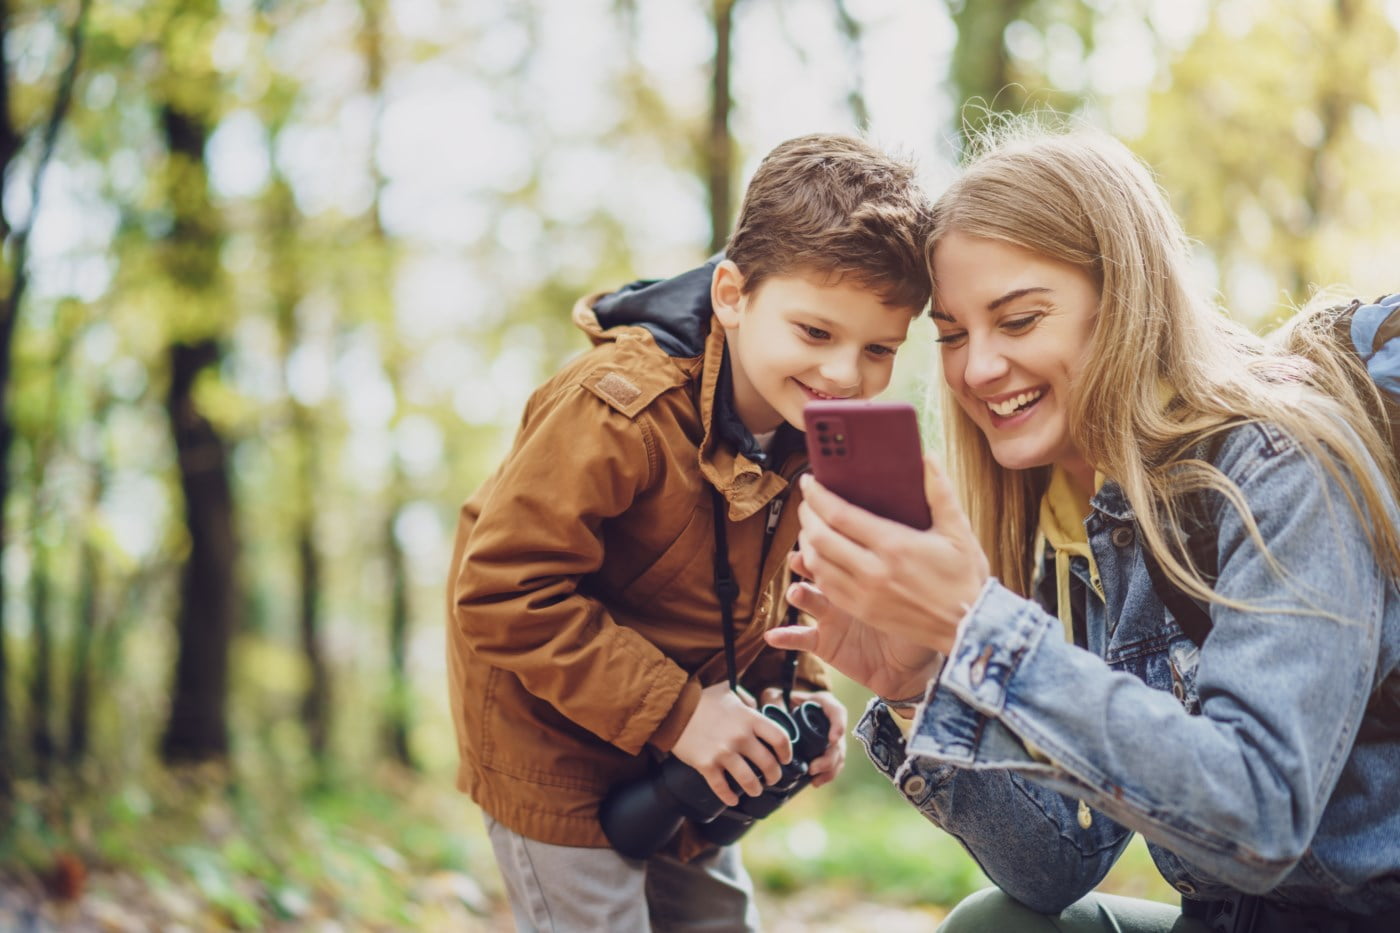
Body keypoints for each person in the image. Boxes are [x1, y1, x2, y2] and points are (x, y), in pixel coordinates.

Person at [766, 122, 1400, 932]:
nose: (978, 368)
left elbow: (1261, 815)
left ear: (1127, 301)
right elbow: (1055, 865)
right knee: (992, 924)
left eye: (1020, 320)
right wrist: (920, 678)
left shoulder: (1280, 467)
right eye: (954, 334)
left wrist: (983, 630)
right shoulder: (1073, 517)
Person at [446, 133, 935, 932]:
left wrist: (797, 685)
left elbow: (781, 572)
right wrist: (679, 712)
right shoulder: (615, 408)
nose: (846, 375)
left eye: (879, 348)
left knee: (716, 918)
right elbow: (503, 591)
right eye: (816, 333)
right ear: (733, 295)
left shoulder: (813, 422)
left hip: (691, 744)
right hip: (553, 740)